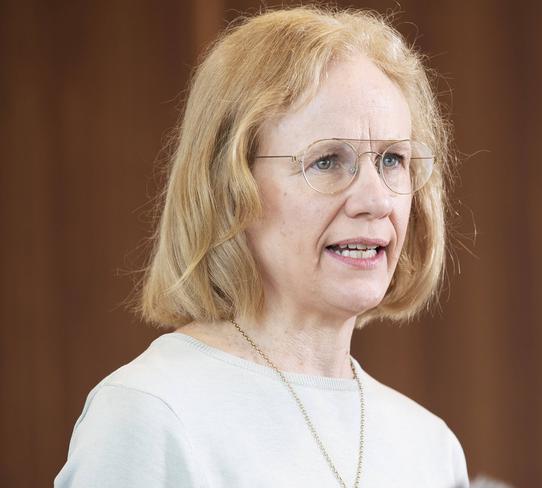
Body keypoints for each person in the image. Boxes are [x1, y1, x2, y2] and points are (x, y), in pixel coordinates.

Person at [55, 6, 469, 488]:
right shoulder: (150, 414)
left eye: (393, 160)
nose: (376, 200)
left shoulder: (429, 446)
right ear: (229, 186)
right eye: (328, 160)